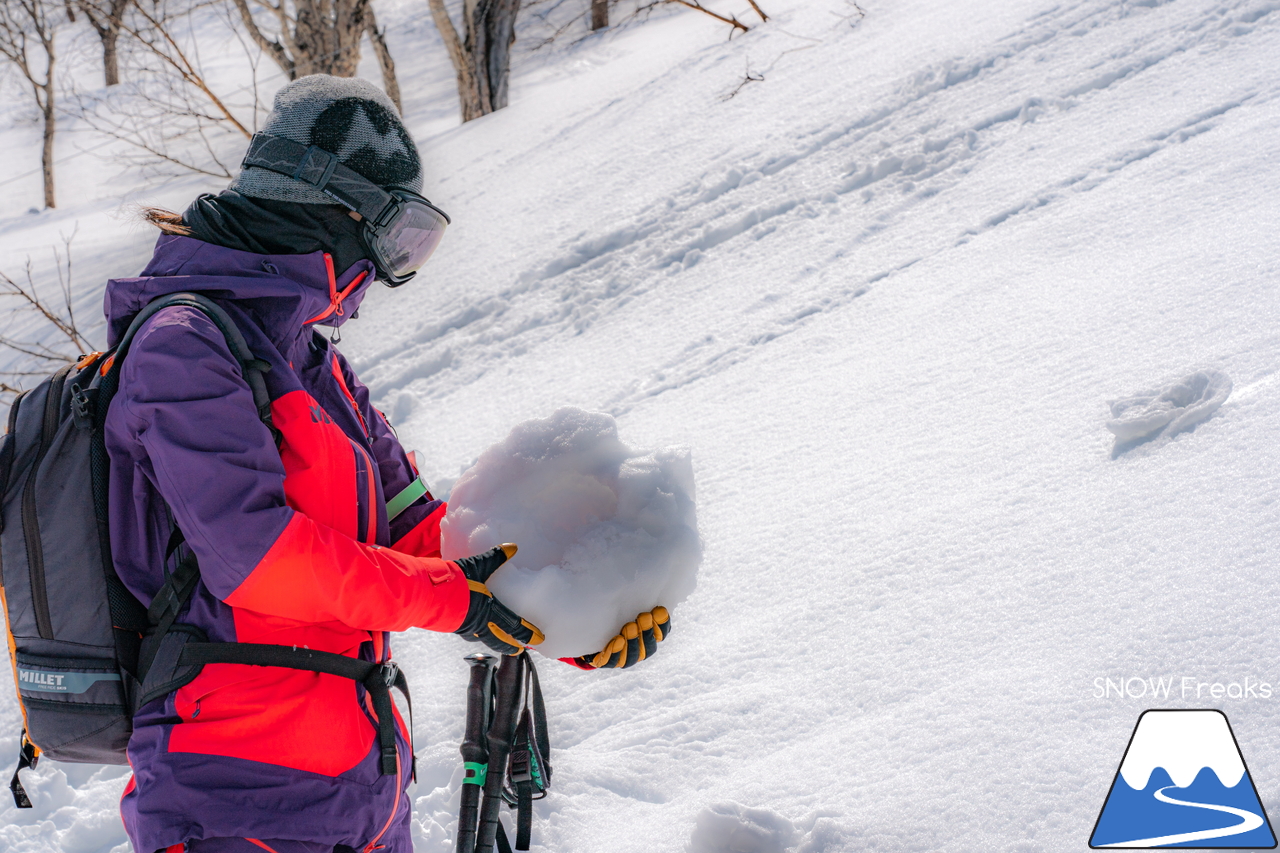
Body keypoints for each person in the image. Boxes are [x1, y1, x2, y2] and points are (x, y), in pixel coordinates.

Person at [105, 75, 670, 853]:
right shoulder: (183, 347)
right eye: (399, 235)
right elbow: (258, 559)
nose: (388, 271)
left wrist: (575, 613)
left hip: (360, 796)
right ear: (338, 210)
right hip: (232, 798)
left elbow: (434, 542)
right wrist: (456, 600)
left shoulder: (315, 368)